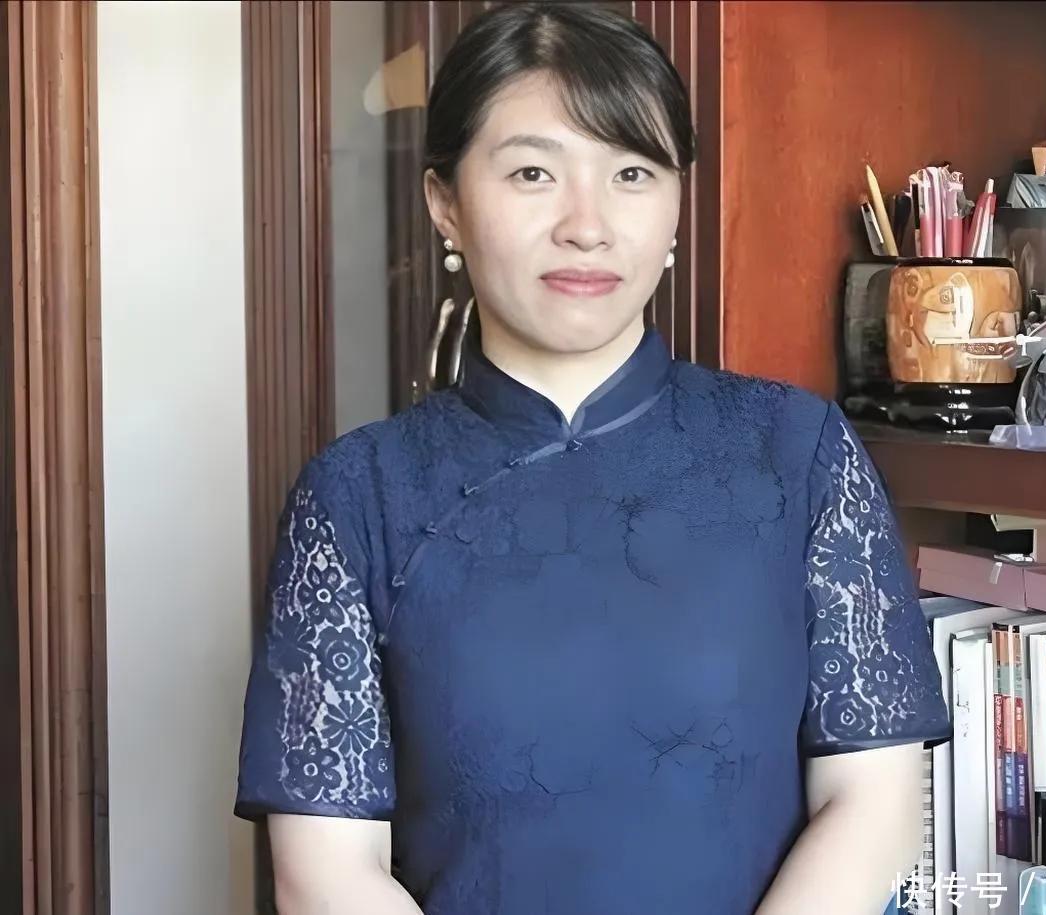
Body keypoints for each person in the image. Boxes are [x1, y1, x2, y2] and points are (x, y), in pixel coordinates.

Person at [234, 4, 951, 914]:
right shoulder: (357, 494)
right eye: (533, 172)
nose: (587, 224)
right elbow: (326, 871)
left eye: (632, 172)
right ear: (445, 203)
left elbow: (873, 804)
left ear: (678, 202)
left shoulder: (797, 451)